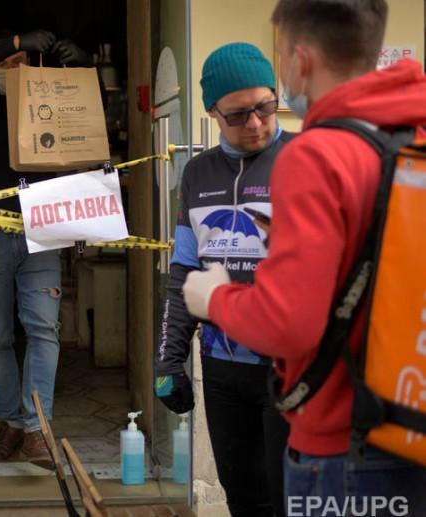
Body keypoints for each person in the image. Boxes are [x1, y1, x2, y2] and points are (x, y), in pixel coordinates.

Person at [182, 1, 426, 513]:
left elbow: (288, 325)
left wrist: (215, 298)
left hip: (340, 436)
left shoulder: (314, 154)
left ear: (298, 60)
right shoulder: (414, 135)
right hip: (409, 422)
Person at [154, 43, 291, 517]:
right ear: (212, 111)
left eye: (265, 108)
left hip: (290, 368)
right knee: (245, 501)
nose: (255, 123)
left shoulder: (308, 160)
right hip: (220, 365)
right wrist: (170, 360)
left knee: (292, 503)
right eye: (237, 115)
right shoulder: (196, 174)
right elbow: (184, 271)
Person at [0, 30, 90, 469]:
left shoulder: (44, 100)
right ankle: (10, 421)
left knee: (43, 328)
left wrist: (80, 62)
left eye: (22, 63)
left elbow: (86, 105)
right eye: (7, 64)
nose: (14, 71)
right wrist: (12, 43)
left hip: (41, 231)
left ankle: (35, 429)